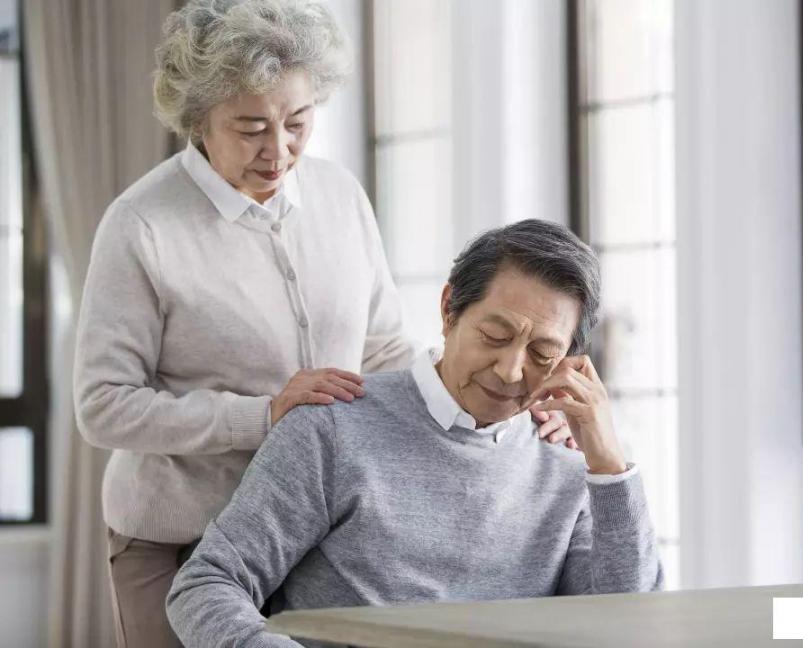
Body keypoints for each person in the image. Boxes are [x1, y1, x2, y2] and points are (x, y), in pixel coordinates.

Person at [72, 2, 570, 646]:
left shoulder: (339, 195)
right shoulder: (141, 224)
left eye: (298, 122)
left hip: (316, 531)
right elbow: (103, 406)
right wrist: (264, 416)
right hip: (179, 538)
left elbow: (386, 347)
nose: (279, 150)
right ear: (197, 120)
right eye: (250, 127)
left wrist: (502, 406)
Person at [166, 219, 665, 648]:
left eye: (542, 354)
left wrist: (609, 464)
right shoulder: (333, 427)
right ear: (449, 310)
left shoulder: (566, 458)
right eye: (495, 336)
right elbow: (207, 583)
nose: (512, 371)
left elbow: (626, 625)